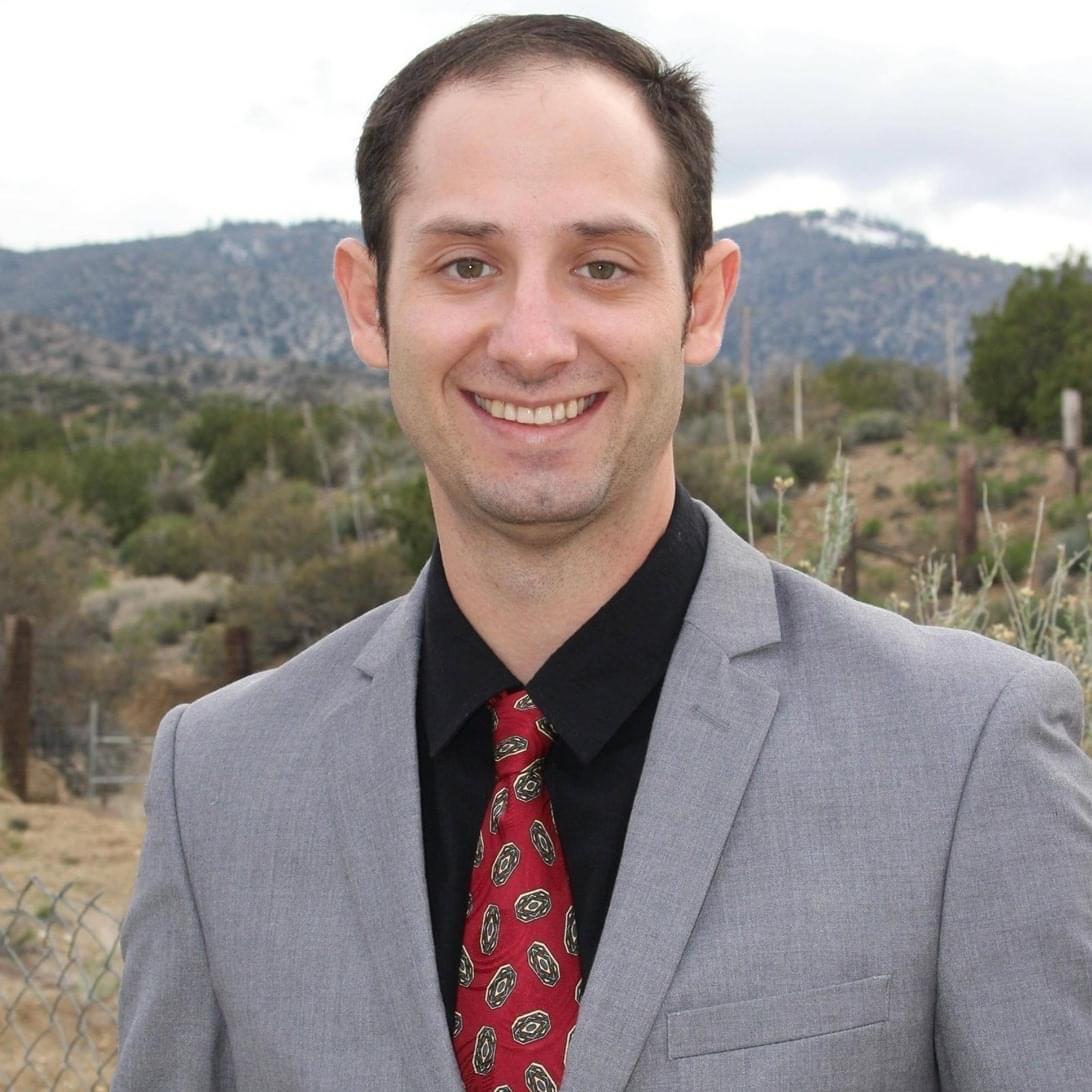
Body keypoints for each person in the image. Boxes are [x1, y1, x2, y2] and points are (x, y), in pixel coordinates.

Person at [115, 14, 1091, 1091]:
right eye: (467, 264)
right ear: (367, 302)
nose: (533, 343)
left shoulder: (964, 756)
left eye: (603, 267)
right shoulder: (220, 786)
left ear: (702, 302)